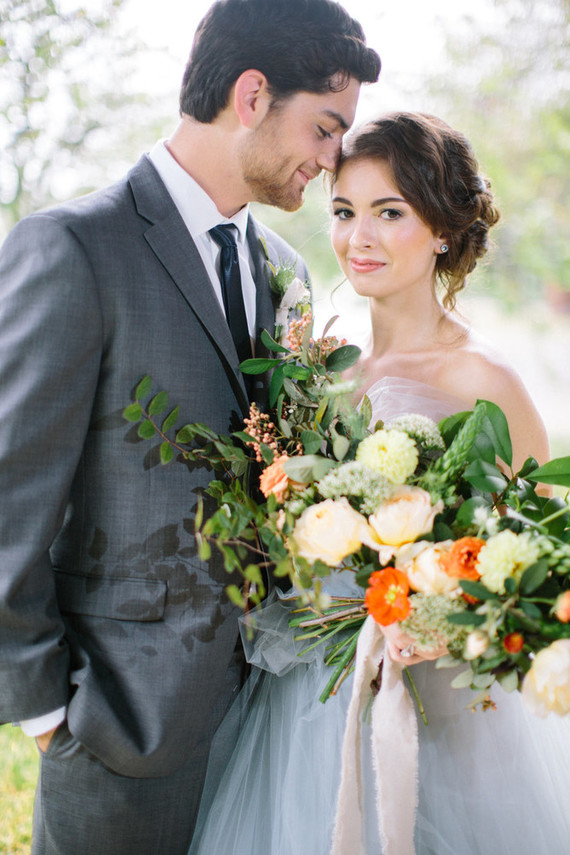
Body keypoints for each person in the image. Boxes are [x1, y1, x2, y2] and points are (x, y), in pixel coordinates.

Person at [0, 1, 380, 852]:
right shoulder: (73, 248)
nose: (332, 161)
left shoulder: (285, 273)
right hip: (119, 738)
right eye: (326, 129)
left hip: (263, 732)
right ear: (251, 95)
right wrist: (50, 715)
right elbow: (7, 501)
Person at [187, 113, 570, 855]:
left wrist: (446, 622)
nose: (357, 237)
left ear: (441, 231)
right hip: (314, 702)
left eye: (388, 211)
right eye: (344, 210)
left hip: (446, 720)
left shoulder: (483, 378)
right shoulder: (324, 375)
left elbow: (546, 568)